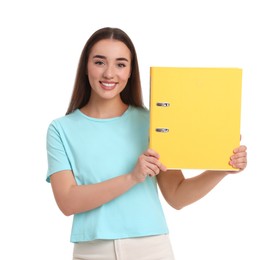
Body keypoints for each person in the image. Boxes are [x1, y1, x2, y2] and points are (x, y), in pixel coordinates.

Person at [46, 27, 247, 260]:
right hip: (92, 251)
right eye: (100, 62)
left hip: (151, 249)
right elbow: (68, 202)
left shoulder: (153, 122)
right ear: (86, 66)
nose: (110, 73)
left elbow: (176, 196)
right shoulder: (61, 129)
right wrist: (132, 177)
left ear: (131, 71)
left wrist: (220, 169)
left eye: (121, 64)